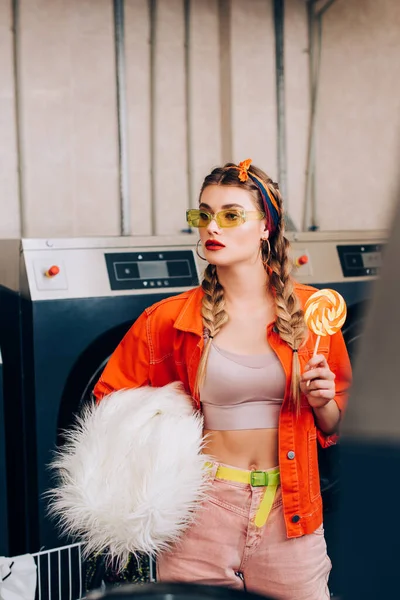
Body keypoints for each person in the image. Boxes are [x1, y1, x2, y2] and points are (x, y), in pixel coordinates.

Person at [93, 159, 352, 600]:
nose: (213, 227)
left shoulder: (313, 314)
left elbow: (336, 425)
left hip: (290, 509)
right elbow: (110, 405)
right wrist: (163, 405)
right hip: (200, 507)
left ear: (266, 227)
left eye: (231, 215)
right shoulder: (168, 320)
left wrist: (324, 400)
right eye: (203, 214)